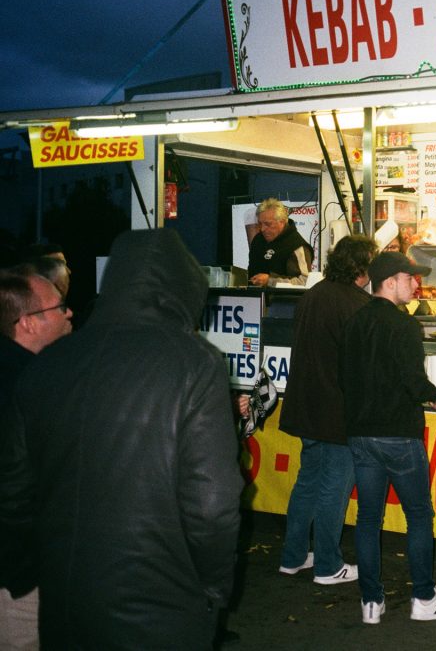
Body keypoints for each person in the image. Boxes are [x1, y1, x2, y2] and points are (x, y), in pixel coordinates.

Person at [0, 229, 243, 649]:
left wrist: (29, 575)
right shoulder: (194, 363)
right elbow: (213, 505)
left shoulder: (47, 363)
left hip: (65, 597)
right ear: (183, 290)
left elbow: (14, 492)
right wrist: (213, 590)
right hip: (160, 604)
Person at [339, 251, 436, 625]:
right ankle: (424, 597)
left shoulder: (354, 322)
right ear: (389, 282)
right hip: (399, 435)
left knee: (367, 519)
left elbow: (344, 377)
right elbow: (412, 380)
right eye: (410, 278)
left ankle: (371, 602)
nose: (417, 284)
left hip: (361, 434)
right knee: (419, 516)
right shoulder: (405, 326)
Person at [277, 235, 378, 585]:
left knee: (307, 482)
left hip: (306, 406)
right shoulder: (359, 304)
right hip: (338, 410)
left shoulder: (313, 294)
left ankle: (292, 557)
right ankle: (327, 565)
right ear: (362, 268)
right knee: (334, 487)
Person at [0, 271, 72, 650]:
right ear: (27, 322)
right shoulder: (28, 386)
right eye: (58, 307)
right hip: (20, 578)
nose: (69, 312)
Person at [247, 198, 314, 286]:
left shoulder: (297, 246)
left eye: (268, 224)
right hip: (254, 298)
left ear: (282, 222)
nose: (262, 229)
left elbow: (304, 282)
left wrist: (270, 281)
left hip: (282, 299)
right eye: (260, 224)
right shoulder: (258, 240)